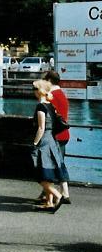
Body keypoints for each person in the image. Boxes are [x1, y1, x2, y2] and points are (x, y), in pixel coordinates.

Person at [30, 79, 68, 212]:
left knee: (41, 175)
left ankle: (58, 196)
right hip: (52, 141)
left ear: (39, 91)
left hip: (44, 142)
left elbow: (41, 128)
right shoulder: (50, 105)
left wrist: (35, 143)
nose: (33, 92)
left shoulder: (41, 107)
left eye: (34, 89)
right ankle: (49, 203)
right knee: (48, 173)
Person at [43, 70, 72, 204]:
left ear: (49, 81)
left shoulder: (52, 96)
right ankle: (50, 192)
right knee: (58, 163)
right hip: (64, 134)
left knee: (54, 164)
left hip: (55, 135)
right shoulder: (62, 95)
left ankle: (63, 194)